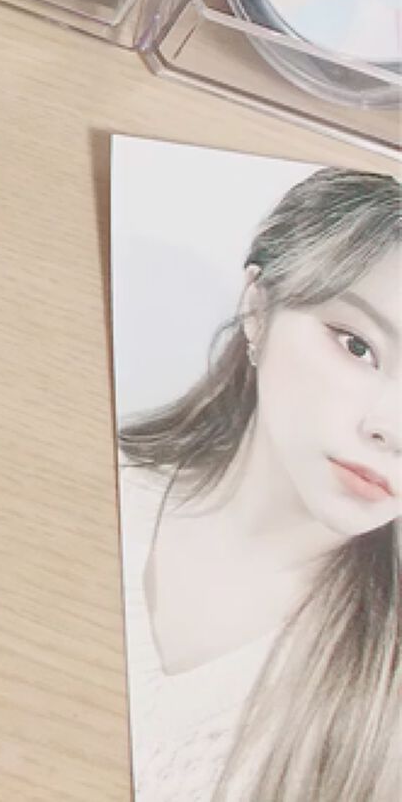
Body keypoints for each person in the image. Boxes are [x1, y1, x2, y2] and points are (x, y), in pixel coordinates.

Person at [118, 166, 401, 802]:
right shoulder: (82, 482)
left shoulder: (382, 705)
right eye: (358, 346)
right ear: (258, 307)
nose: (391, 428)